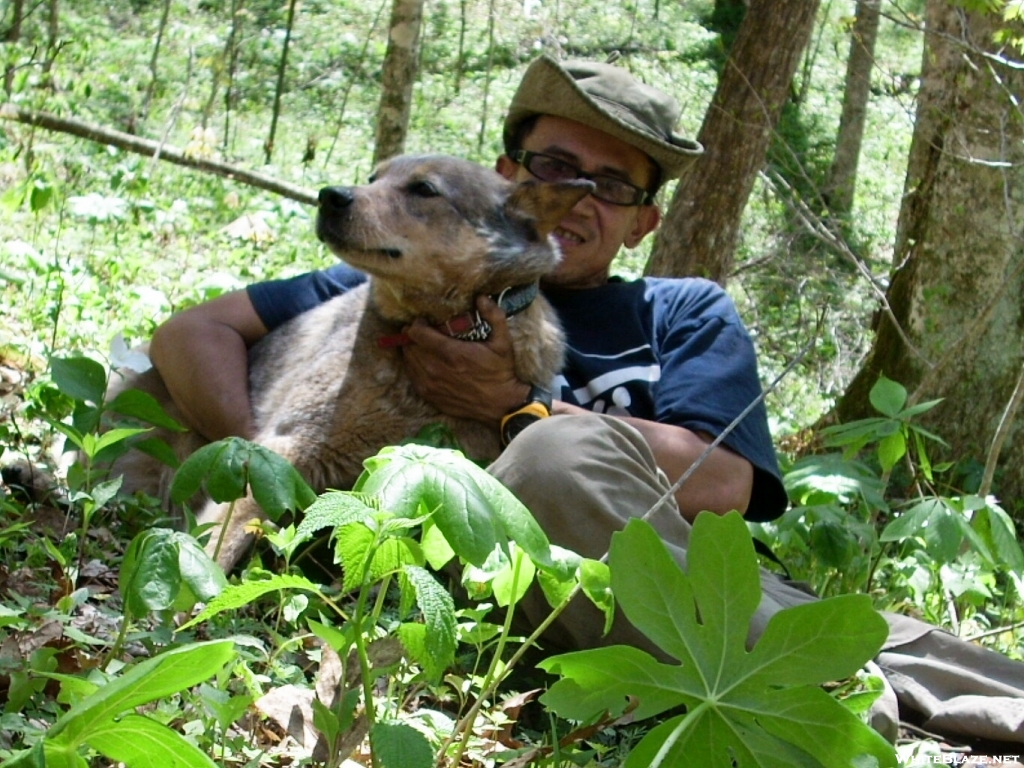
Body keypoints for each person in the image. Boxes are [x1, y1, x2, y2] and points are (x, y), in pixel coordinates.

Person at [150, 56, 1024, 744]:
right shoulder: (391, 270)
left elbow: (725, 484)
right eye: (556, 168)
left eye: (614, 186)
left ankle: (808, 677)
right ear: (507, 182)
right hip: (491, 611)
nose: (577, 200)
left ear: (645, 219)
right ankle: (806, 687)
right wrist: (266, 460)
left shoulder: (682, 312)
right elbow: (191, 334)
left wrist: (514, 409)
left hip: (651, 585)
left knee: (551, 457)